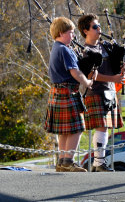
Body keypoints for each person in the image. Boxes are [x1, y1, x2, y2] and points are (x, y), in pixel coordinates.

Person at [77, 13, 125, 172]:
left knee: (105, 128)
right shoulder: (84, 51)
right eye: (95, 26)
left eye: (99, 26)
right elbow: (90, 75)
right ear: (85, 30)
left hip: (110, 92)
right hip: (96, 93)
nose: (99, 29)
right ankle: (99, 163)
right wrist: (113, 78)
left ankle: (98, 163)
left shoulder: (105, 45)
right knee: (101, 127)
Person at [45, 17, 95, 172]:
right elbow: (75, 72)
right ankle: (68, 161)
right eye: (71, 32)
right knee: (77, 128)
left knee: (64, 130)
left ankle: (62, 162)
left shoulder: (56, 47)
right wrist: (87, 82)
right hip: (67, 91)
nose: (73, 36)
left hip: (58, 91)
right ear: (61, 33)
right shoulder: (64, 49)